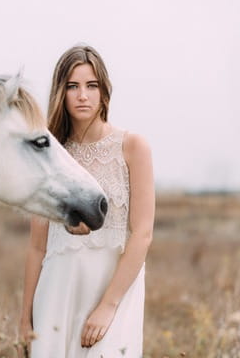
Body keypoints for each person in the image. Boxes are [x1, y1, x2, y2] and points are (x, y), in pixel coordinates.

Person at [19, 44, 155, 357]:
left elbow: (143, 234)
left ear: (104, 91)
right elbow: (37, 246)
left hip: (114, 294)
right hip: (56, 293)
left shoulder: (133, 146)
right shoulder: (49, 154)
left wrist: (108, 306)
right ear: (60, 93)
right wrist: (25, 316)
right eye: (73, 86)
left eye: (91, 86)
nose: (83, 95)